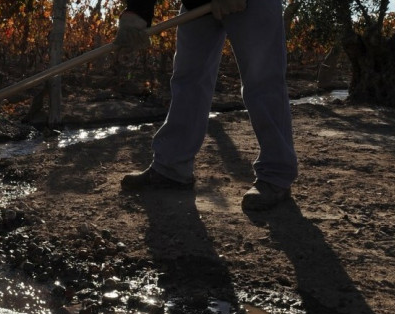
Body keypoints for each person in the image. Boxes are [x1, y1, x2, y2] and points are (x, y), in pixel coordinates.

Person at [115, 0, 298, 211]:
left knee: (262, 80)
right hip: (198, 2)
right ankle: (171, 168)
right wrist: (136, 13)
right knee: (188, 79)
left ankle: (277, 175)